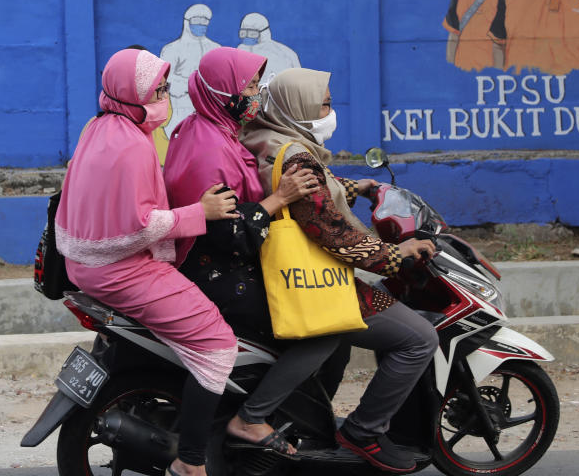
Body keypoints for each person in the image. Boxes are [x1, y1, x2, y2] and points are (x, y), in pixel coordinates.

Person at [242, 68, 439, 474]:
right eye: (324, 104)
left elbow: (316, 190)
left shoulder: (269, 138)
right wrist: (395, 256)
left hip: (295, 273)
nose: (331, 111)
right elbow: (330, 230)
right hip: (320, 280)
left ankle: (312, 425)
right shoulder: (296, 155)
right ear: (298, 107)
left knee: (339, 347)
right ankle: (364, 431)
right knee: (419, 337)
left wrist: (359, 187)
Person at [56, 47, 238, 476]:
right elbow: (139, 224)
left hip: (87, 264)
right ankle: (191, 461)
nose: (164, 97)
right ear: (130, 93)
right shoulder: (130, 145)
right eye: (157, 90)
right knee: (218, 346)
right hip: (121, 269)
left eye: (165, 88)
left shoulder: (99, 127)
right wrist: (202, 213)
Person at [163, 47, 332, 456]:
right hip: (219, 274)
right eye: (250, 86)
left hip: (218, 264)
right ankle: (252, 418)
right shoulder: (211, 152)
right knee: (327, 325)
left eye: (257, 85)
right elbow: (231, 234)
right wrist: (281, 197)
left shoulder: (207, 129)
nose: (256, 95)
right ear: (223, 92)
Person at [160, 4, 221, 136]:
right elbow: (166, 80)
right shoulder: (172, 49)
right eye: (196, 21)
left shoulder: (215, 48)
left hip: (209, 113)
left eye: (204, 21)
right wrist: (195, 83)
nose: (201, 25)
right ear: (187, 22)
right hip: (180, 111)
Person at [236, 12, 300, 84]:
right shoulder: (239, 52)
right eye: (244, 33)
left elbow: (296, 81)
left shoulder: (284, 54)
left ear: (264, 33)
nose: (247, 37)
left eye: (252, 34)